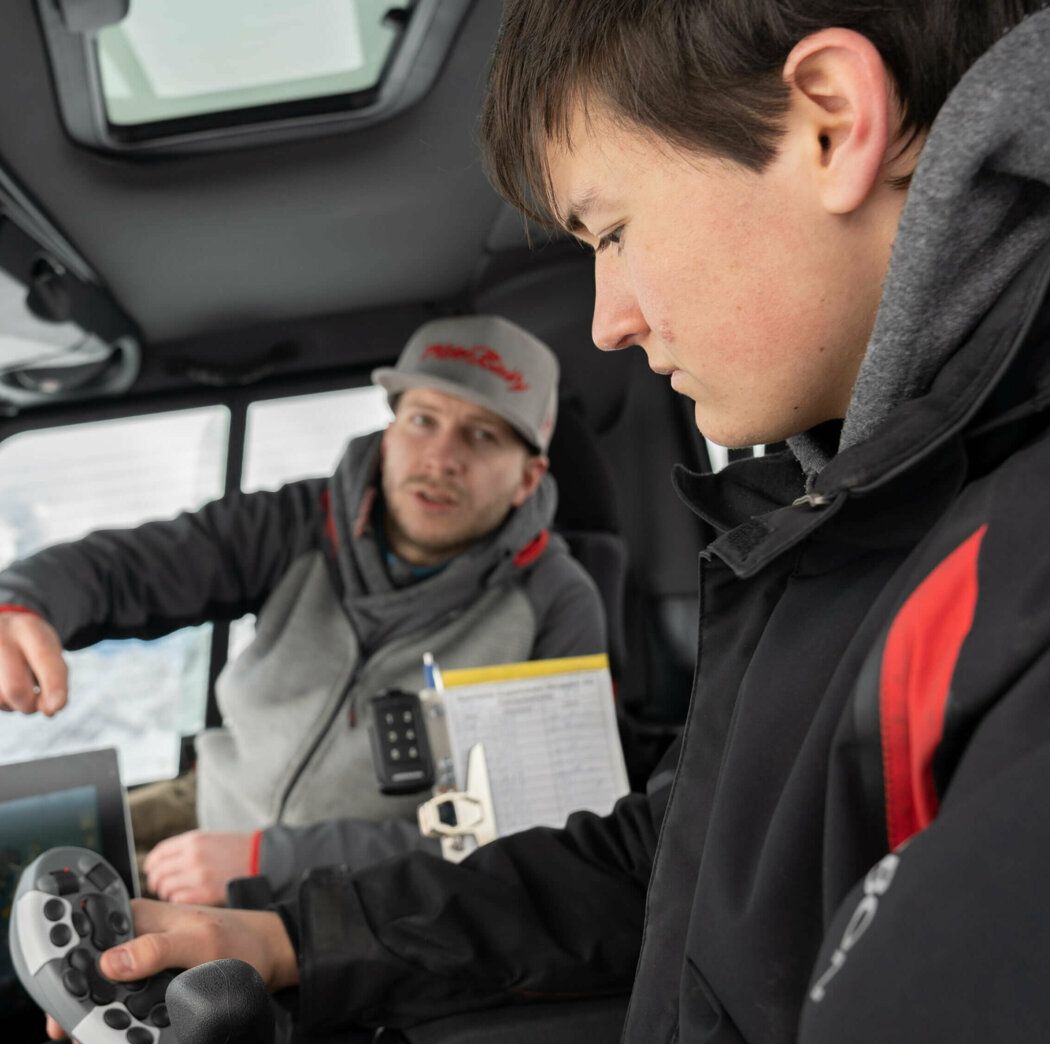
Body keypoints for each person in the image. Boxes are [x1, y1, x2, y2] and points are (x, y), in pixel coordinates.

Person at [46, 0, 1050, 1044]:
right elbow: (667, 857)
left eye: (612, 230)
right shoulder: (873, 503)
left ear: (830, 122)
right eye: (416, 421)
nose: (612, 318)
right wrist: (291, 937)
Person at [0, 314, 605, 903]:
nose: (441, 457)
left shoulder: (554, 602)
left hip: (350, 889)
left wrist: (274, 861)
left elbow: (521, 834)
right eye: (423, 420)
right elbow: (134, 567)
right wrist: (22, 602)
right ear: (391, 432)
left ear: (528, 478)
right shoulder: (299, 522)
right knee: (18, 872)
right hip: (211, 802)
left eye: (482, 435)